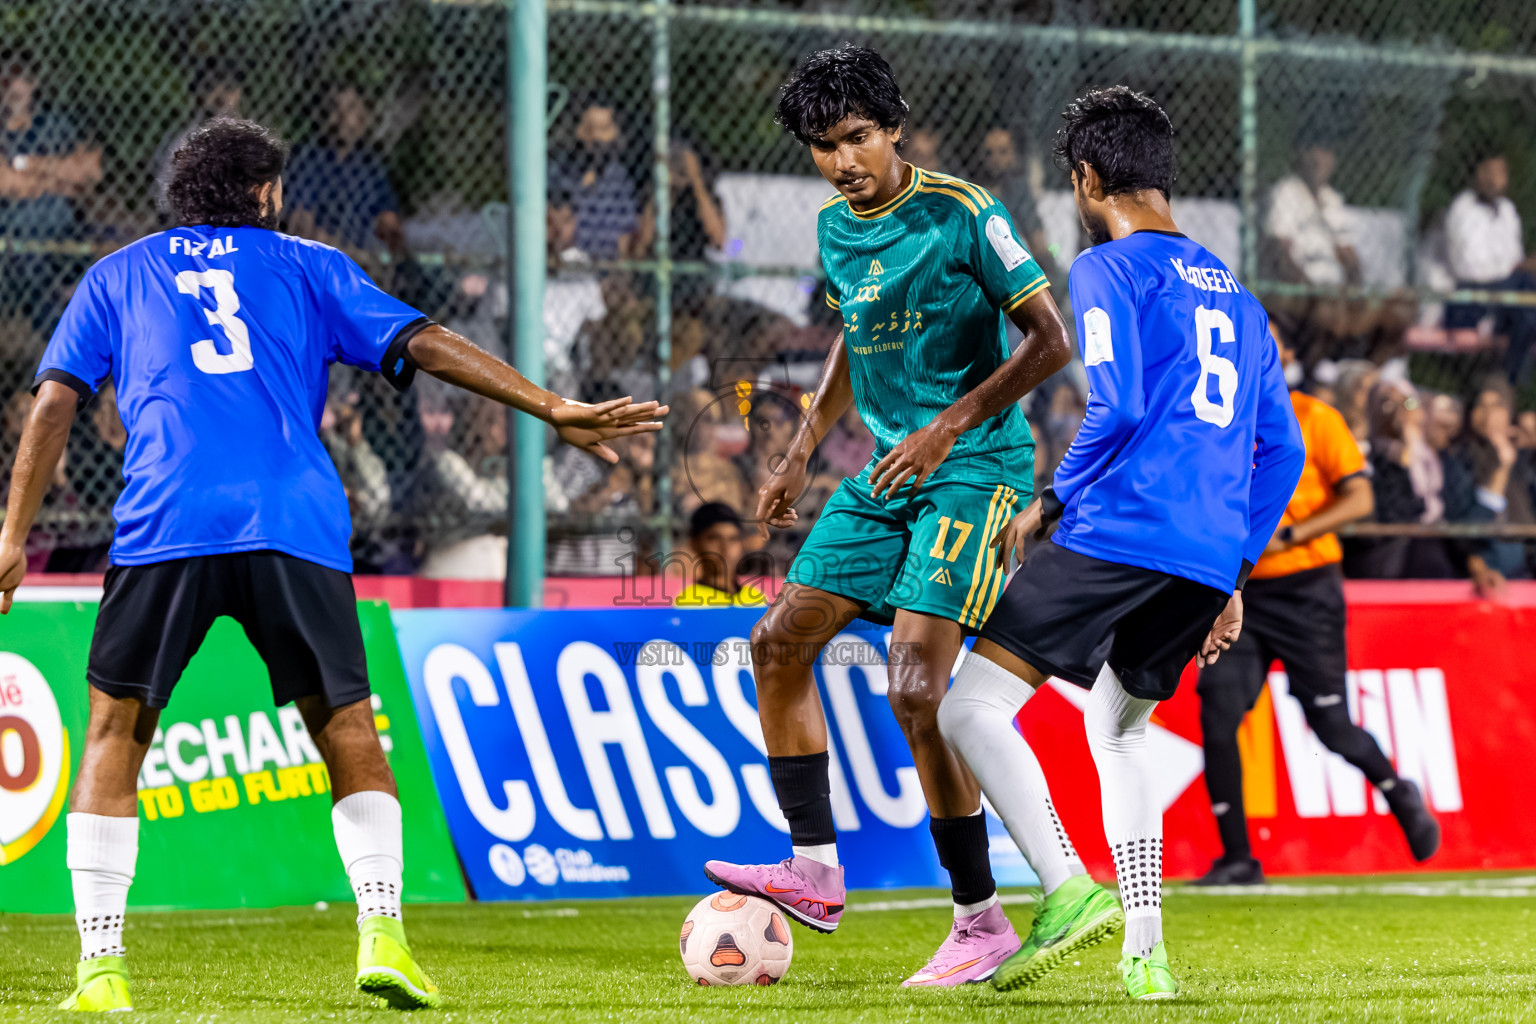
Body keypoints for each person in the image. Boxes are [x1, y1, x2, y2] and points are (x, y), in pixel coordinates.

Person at [0, 117, 665, 1013]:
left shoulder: (116, 273)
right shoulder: (308, 264)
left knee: (118, 733)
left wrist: (11, 537)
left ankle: (103, 967)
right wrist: (550, 406)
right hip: (292, 520)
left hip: (166, 521)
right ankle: (384, 931)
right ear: (267, 193)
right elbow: (425, 341)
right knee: (346, 727)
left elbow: (52, 409)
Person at [703, 45, 1077, 989]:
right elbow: (850, 336)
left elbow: (1052, 340)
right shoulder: (836, 225)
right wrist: (796, 451)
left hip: (976, 466)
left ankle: (978, 918)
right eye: (824, 146)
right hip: (884, 469)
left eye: (858, 138)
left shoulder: (964, 211)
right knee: (779, 640)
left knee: (916, 686)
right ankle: (815, 870)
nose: (843, 161)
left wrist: (950, 427)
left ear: (895, 127)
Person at [937, 86, 1306, 1000]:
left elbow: (1124, 404)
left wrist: (1054, 498)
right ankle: (1148, 956)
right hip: (1206, 553)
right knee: (1119, 729)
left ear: (1087, 178)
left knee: (967, 708)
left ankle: (1067, 890)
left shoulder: (1110, 268)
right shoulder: (1243, 299)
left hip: (1121, 530)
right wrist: (1234, 569)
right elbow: (1284, 449)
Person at [1194, 322, 1439, 887]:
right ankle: (1237, 858)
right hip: (1240, 591)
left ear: (1286, 356)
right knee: (1219, 712)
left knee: (1329, 721)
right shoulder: (1214, 422)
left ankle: (1398, 791)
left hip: (1307, 589)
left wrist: (1292, 537)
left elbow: (1361, 497)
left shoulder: (1315, 417)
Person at [0, 52, 102, 326]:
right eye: (5, 78)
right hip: (12, 224)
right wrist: (59, 178)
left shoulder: (55, 125)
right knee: (32, 241)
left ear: (32, 83)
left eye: (19, 77)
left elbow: (90, 171)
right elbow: (9, 185)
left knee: (57, 216)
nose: (11, 86)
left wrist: (32, 165)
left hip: (58, 222)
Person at [1443, 151, 1536, 385]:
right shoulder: (1463, 210)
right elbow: (1471, 266)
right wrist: (1518, 266)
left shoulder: (1507, 210)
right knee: (1526, 310)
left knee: (1527, 297)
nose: (1497, 180)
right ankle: (1509, 383)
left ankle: (1508, 380)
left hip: (1508, 288)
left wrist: (1523, 265)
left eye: (1502, 173)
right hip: (1471, 294)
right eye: (1491, 172)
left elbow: (1514, 256)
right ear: (1478, 174)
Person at [284, 84, 404, 255]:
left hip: (362, 255)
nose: (341, 117)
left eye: (351, 108)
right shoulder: (310, 158)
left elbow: (389, 221)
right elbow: (301, 224)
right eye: (337, 109)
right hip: (323, 255)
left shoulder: (370, 164)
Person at [552, 96, 638, 261]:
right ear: (578, 130)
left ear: (616, 132)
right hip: (568, 267)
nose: (596, 137)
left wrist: (618, 273)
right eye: (589, 128)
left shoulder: (619, 177)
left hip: (607, 269)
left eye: (604, 128)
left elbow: (625, 234)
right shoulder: (559, 171)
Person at [674, 502, 766, 607]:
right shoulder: (688, 602)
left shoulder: (757, 599)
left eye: (733, 539)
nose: (725, 548)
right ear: (694, 543)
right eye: (714, 538)